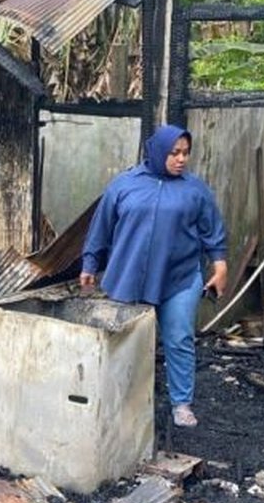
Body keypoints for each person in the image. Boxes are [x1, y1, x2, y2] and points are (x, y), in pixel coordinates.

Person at [79, 124, 228, 428]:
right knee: (125, 340)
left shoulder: (195, 190)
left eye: (186, 153)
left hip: (180, 277)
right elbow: (101, 228)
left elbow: (213, 231)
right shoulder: (124, 185)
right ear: (158, 151)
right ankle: (121, 399)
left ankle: (181, 403)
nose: (181, 159)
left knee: (179, 338)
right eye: (174, 153)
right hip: (128, 276)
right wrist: (89, 264)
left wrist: (220, 266)